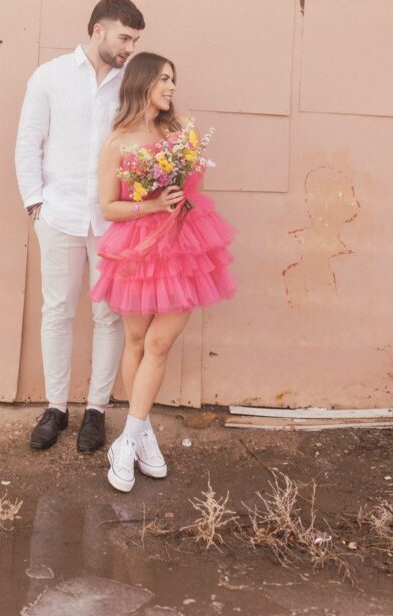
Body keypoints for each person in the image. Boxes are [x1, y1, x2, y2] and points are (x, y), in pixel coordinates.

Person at [91, 52, 236, 492]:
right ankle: (143, 437)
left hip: (183, 246)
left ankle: (127, 441)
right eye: (164, 79)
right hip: (137, 247)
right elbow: (109, 207)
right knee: (136, 340)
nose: (172, 87)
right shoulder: (117, 141)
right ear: (143, 83)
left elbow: (196, 188)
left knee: (159, 340)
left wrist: (180, 182)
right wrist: (152, 202)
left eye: (174, 79)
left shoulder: (179, 131)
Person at [15, 0, 146, 452]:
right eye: (124, 37)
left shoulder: (133, 84)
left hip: (112, 221)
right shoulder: (50, 77)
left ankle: (96, 411)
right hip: (60, 215)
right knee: (57, 311)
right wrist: (36, 206)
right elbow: (28, 142)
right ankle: (55, 408)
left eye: (134, 40)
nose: (129, 47)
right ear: (98, 30)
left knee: (108, 316)